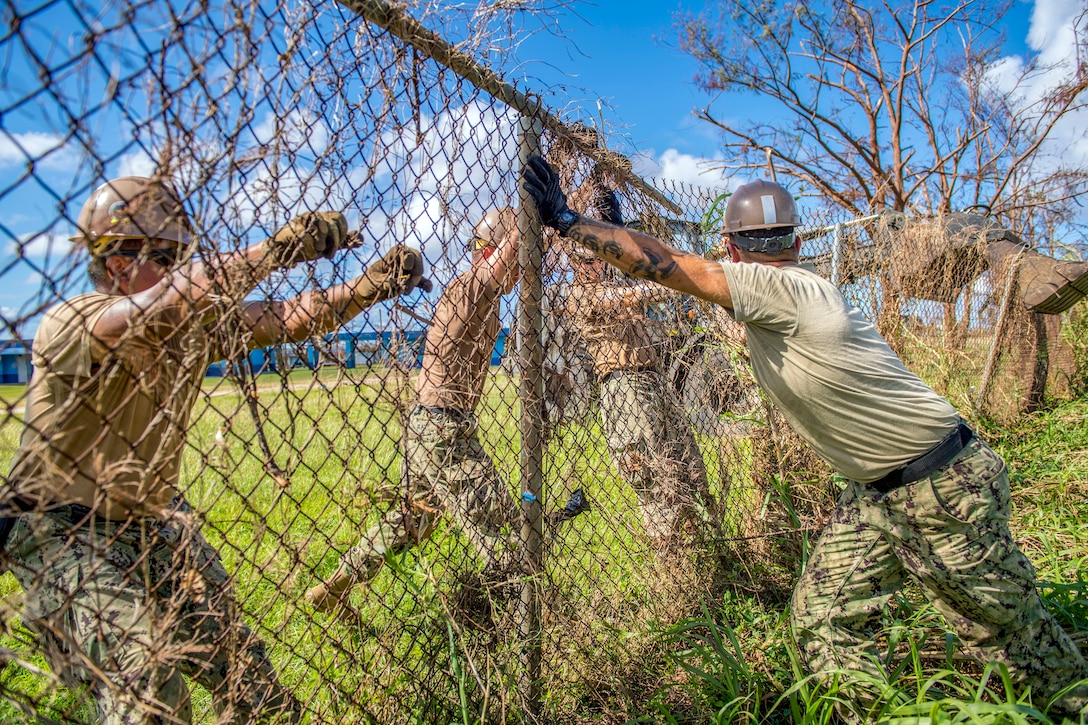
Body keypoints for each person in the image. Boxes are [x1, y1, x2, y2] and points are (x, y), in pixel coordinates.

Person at [521, 156, 1088, 717]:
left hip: (942, 486)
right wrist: (613, 227)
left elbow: (668, 265)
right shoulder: (793, 287)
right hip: (881, 491)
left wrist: (568, 220)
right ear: (793, 238)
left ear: (733, 246)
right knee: (825, 618)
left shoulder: (776, 288)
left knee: (1013, 640)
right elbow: (679, 279)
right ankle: (882, 711)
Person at [1, 175, 428, 724]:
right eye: (163, 254)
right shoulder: (75, 321)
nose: (179, 265)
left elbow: (287, 318)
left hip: (152, 521)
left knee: (251, 681)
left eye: (181, 254)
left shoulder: (190, 328)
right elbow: (158, 306)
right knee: (150, 694)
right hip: (61, 530)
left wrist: (369, 286)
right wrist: (276, 249)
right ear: (114, 262)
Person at [306, 207, 523, 611]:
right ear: (490, 251)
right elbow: (500, 262)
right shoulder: (472, 286)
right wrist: (532, 217)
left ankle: (340, 580)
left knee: (414, 518)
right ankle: (519, 617)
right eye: (519, 260)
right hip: (444, 428)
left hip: (432, 424)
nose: (521, 271)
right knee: (499, 526)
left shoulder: (486, 296)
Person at [564, 191, 711, 546]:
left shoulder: (613, 281)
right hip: (623, 387)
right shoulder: (578, 295)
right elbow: (630, 297)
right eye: (585, 260)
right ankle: (670, 550)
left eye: (595, 259)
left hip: (652, 379)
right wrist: (670, 279)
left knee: (686, 463)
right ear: (574, 263)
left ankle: (700, 539)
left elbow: (630, 267)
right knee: (653, 474)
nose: (593, 265)